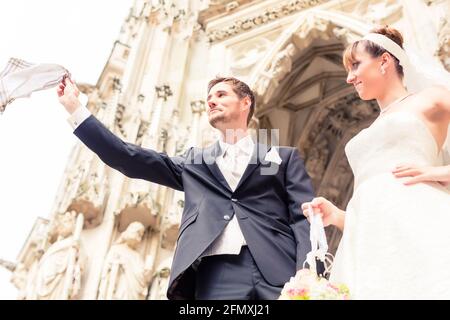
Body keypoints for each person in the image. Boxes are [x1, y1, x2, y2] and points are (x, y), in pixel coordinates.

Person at [57, 76, 315, 299]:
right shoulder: (195, 163)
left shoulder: (280, 157)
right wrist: (76, 109)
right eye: (209, 98)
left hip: (279, 271)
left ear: (246, 102)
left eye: (221, 95)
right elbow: (128, 158)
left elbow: (303, 217)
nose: (211, 101)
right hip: (217, 274)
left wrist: (307, 268)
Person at [302, 26, 450, 299]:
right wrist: (337, 216)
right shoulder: (365, 133)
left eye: (355, 65)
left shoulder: (432, 99)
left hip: (421, 219)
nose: (349, 77)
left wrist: (439, 171)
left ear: (385, 61)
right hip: (370, 244)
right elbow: (371, 209)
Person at [97, 221, 153, 300]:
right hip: (119, 287)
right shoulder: (117, 249)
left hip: (133, 293)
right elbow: (107, 270)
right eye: (138, 233)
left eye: (141, 235)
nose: (139, 238)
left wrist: (147, 272)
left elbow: (141, 277)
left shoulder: (137, 256)